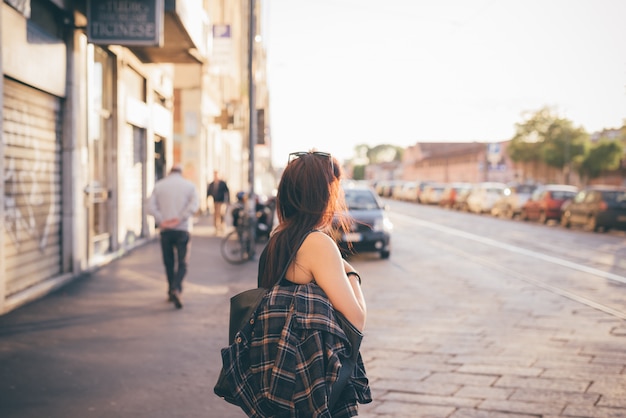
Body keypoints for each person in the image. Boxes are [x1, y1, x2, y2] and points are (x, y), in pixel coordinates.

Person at [221, 151, 372, 416]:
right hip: (309, 386)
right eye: (333, 191)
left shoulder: (278, 237)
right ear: (321, 195)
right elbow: (356, 321)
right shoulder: (317, 243)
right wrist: (351, 275)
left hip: (278, 382)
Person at [147, 163, 199, 309]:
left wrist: (162, 220)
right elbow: (194, 205)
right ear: (181, 172)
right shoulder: (190, 186)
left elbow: (150, 207)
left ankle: (171, 290)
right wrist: (180, 218)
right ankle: (176, 288)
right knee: (182, 262)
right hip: (183, 229)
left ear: (170, 172)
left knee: (168, 262)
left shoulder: (159, 185)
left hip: (165, 230)